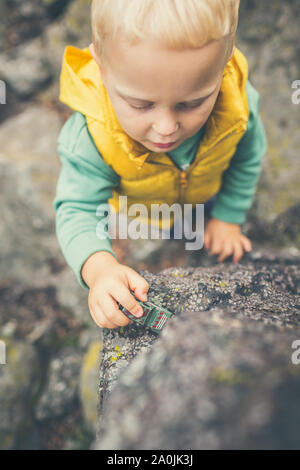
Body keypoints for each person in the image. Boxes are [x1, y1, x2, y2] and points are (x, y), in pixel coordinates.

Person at [53, 0, 267, 329]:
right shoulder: (91, 139)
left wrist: (228, 217)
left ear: (224, 65)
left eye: (193, 102)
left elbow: (247, 158)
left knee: (202, 220)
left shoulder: (237, 105)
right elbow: (78, 209)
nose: (166, 127)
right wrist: (101, 269)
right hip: (143, 210)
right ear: (101, 67)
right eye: (140, 104)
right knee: (164, 229)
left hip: (207, 189)